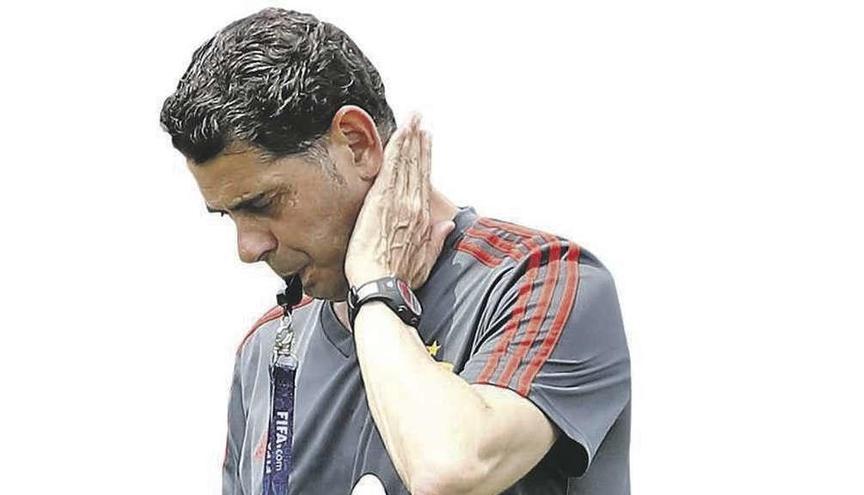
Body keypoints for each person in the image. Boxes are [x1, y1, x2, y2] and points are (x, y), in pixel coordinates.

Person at [160, 8, 630, 495]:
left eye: (262, 204)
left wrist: (376, 285)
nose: (248, 248)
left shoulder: (544, 281)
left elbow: (450, 471)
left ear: (357, 144)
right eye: (228, 216)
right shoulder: (264, 351)